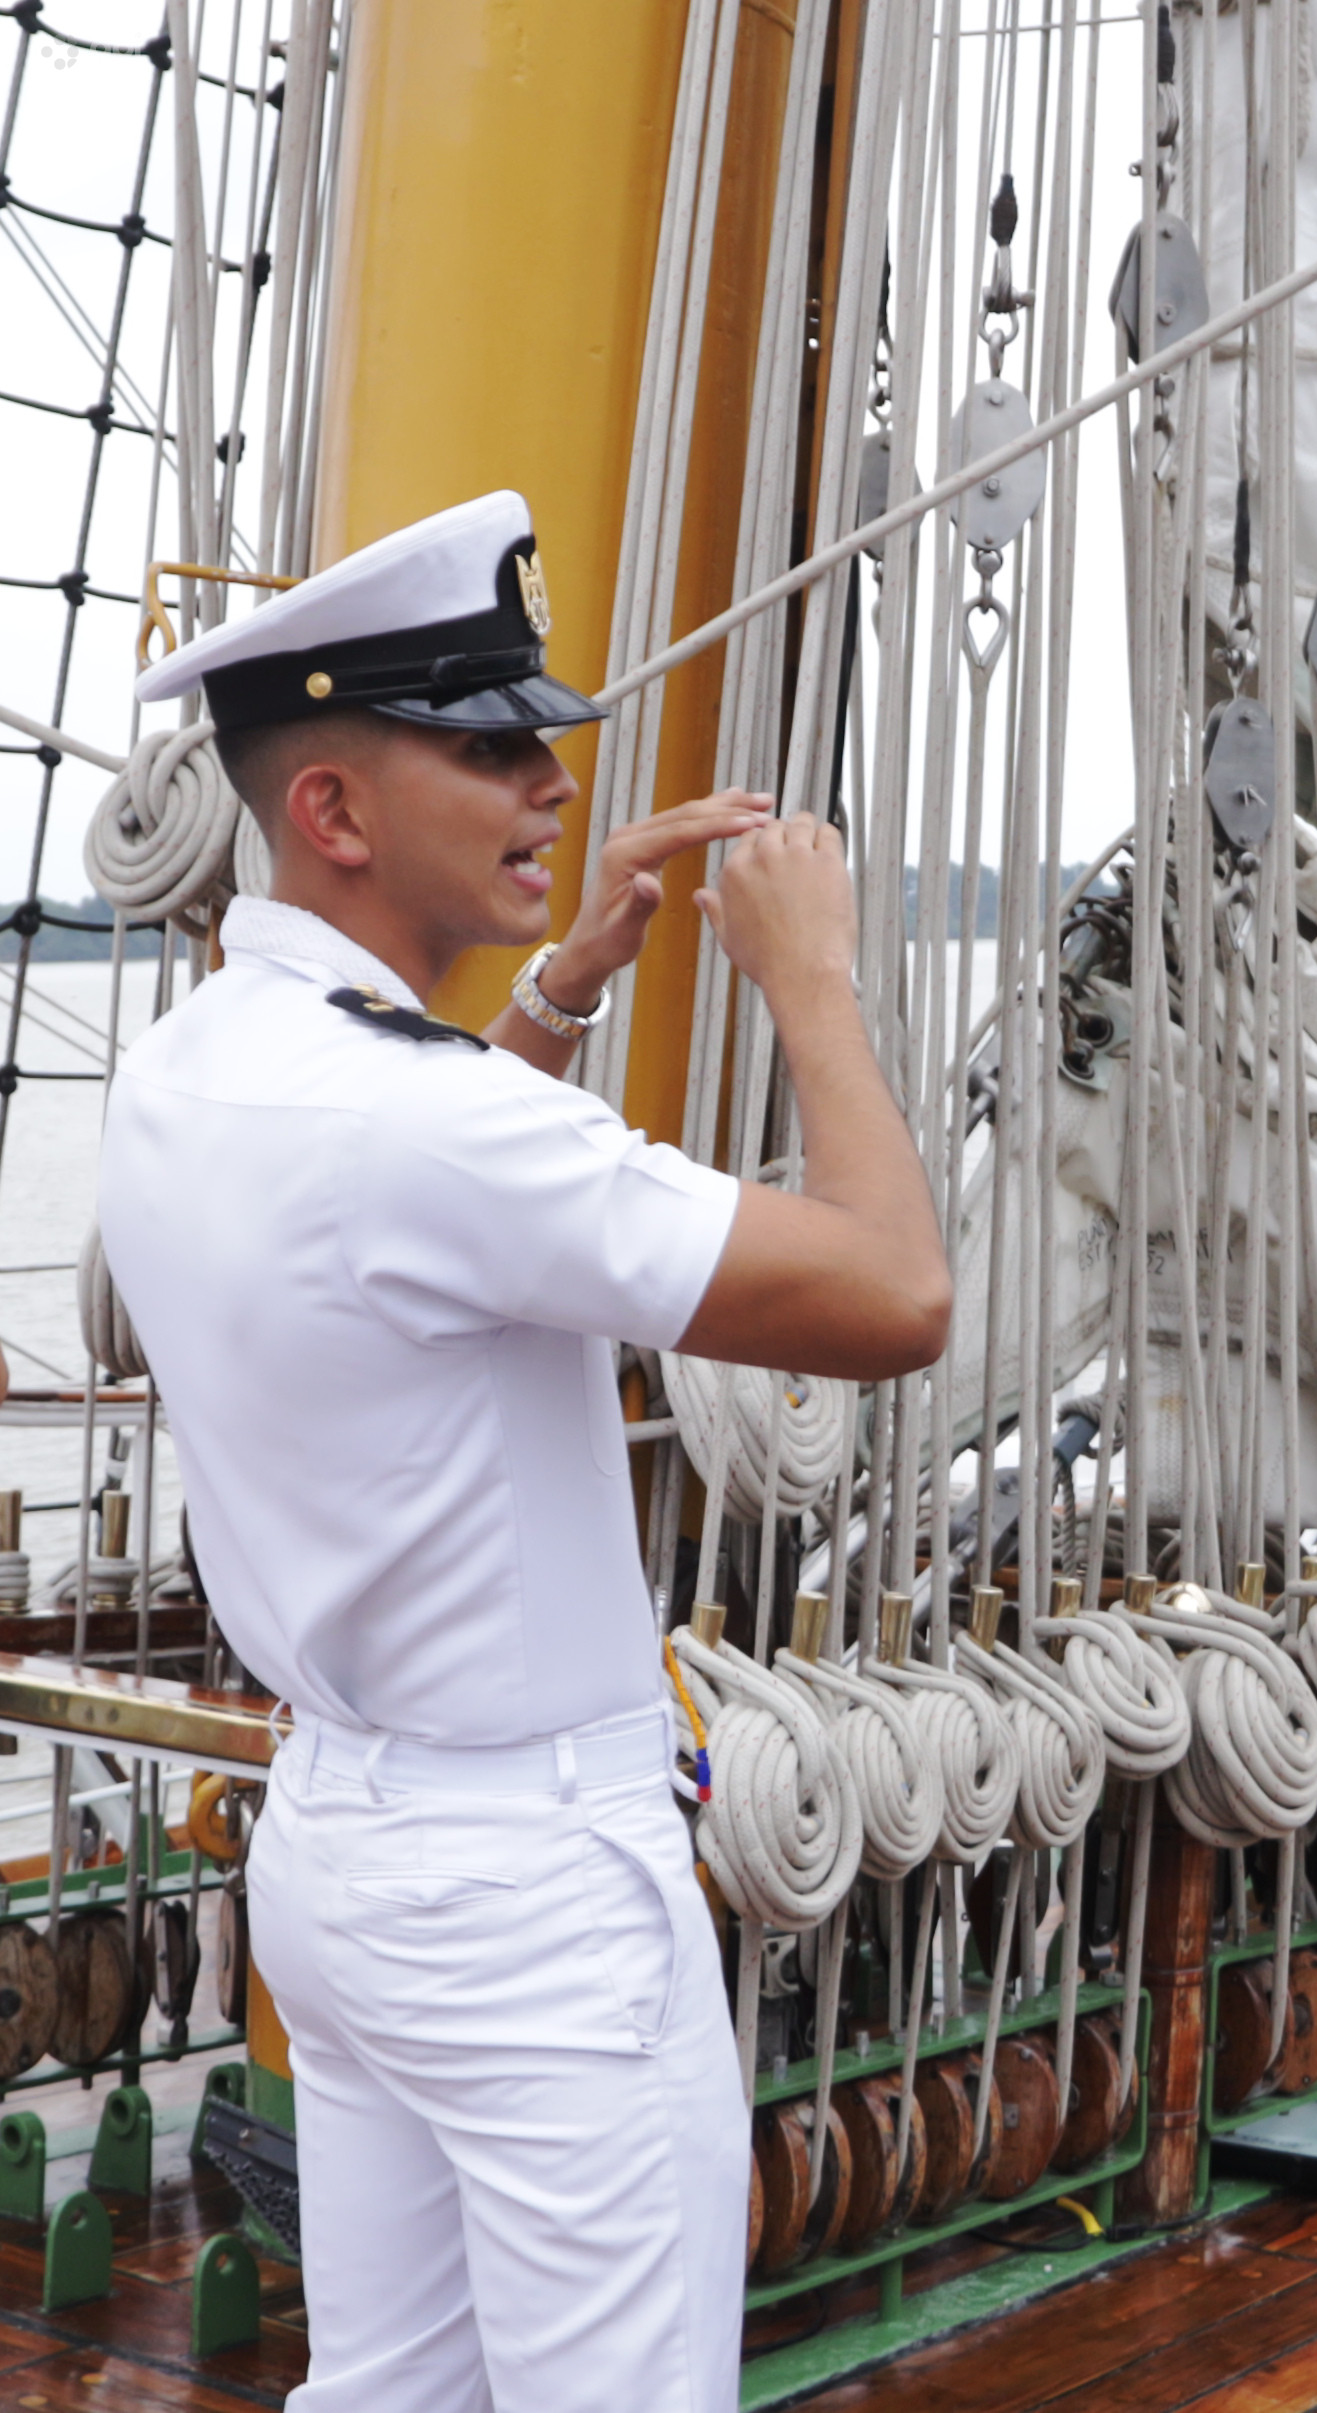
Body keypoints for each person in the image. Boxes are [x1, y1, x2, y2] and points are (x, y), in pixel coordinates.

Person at [95, 491, 952, 2412]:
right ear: (333, 810)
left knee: (389, 2389)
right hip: (533, 1886)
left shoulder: (195, 1070)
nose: (550, 782)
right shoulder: (431, 1128)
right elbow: (896, 1291)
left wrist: (561, 983)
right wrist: (806, 972)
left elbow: (419, 1219)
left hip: (342, 1850)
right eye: (490, 748)